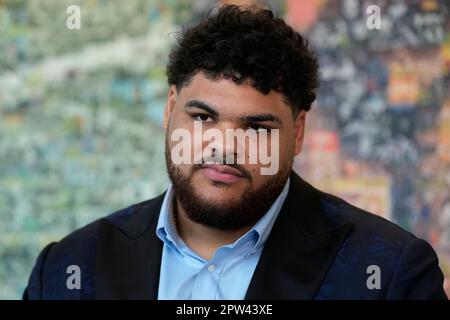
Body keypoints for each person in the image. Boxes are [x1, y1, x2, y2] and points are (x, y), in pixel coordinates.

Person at [24, 5, 447, 300]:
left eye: (257, 127)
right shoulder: (67, 269)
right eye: (204, 118)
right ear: (171, 109)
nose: (224, 147)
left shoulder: (392, 275)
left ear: (297, 133)